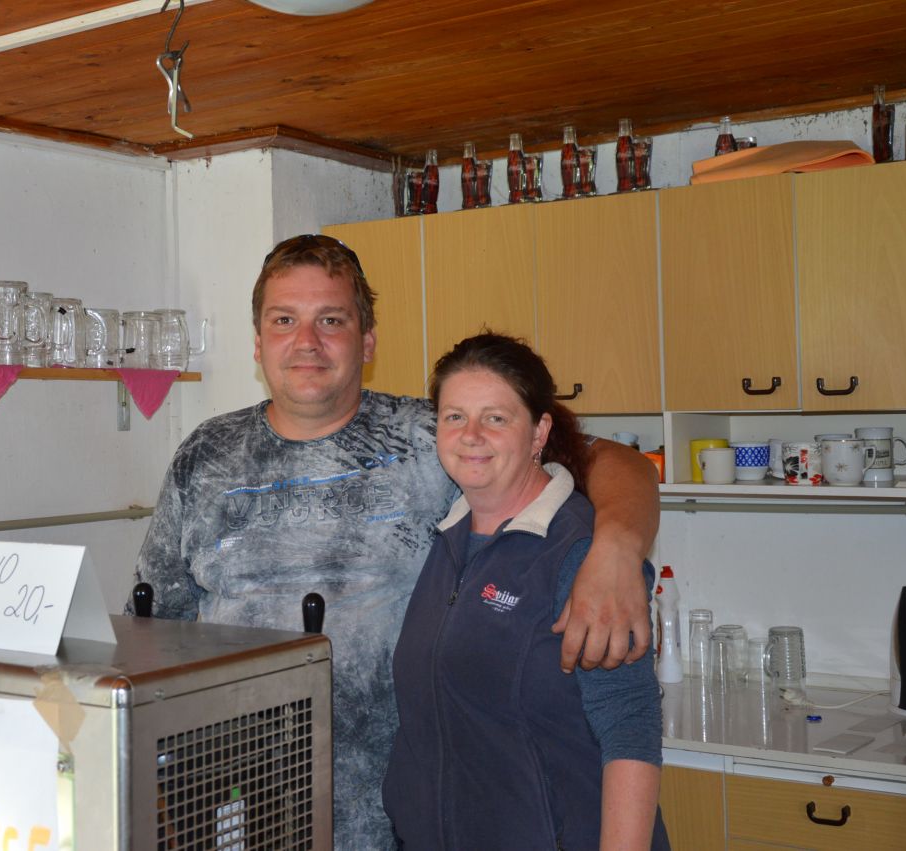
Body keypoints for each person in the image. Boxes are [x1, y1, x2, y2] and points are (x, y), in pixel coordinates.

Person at [132, 234, 660, 848]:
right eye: (284, 320)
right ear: (258, 342)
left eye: (332, 320)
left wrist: (617, 548)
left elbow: (618, 462)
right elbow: (153, 633)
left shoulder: (437, 437)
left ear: (368, 342)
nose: (307, 341)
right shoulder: (205, 455)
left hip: (395, 824)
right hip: (242, 812)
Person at [383, 332, 667, 850]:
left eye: (496, 418)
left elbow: (630, 722)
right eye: (454, 416)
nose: (471, 435)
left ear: (539, 432)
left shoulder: (582, 553)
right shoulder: (443, 536)